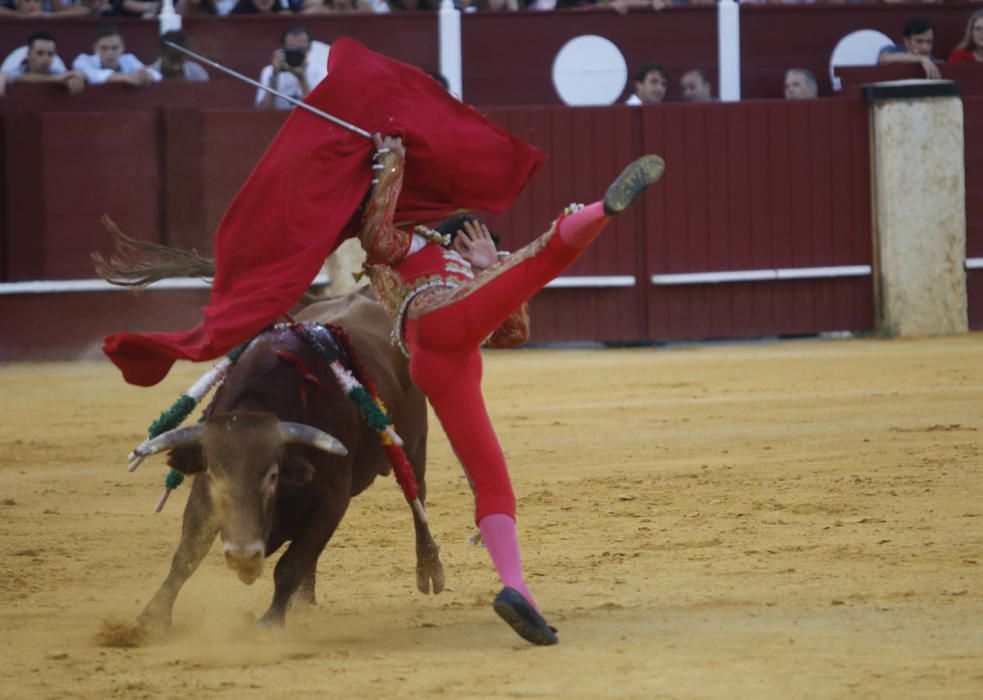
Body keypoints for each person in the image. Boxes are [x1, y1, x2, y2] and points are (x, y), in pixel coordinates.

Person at [357, 132, 665, 645]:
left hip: (442, 365)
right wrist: (392, 164)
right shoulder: (423, 243)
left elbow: (514, 331)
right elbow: (377, 236)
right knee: (541, 257)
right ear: (461, 235)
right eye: (484, 241)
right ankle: (597, 214)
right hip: (441, 322)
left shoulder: (408, 263)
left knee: (493, 483)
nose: (492, 253)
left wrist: (491, 266)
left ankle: (518, 590)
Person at [255, 25, 327, 109]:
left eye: (301, 49)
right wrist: (274, 75)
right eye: (292, 48)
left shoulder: (320, 72)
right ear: (283, 48)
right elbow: (263, 110)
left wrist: (301, 78)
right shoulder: (269, 71)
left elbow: (319, 111)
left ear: (309, 48)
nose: (296, 53)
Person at [72, 24, 161, 86]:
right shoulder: (83, 60)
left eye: (114, 48)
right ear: (95, 48)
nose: (110, 53)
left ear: (122, 47)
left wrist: (147, 76)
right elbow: (93, 75)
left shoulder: (129, 59)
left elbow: (156, 76)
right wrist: (126, 78)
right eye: (104, 48)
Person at [4, 31, 85, 94]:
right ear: (28, 55)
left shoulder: (58, 73)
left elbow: (71, 76)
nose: (46, 58)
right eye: (40, 53)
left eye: (50, 54)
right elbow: (17, 78)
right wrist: (57, 79)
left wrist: (75, 78)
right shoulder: (17, 71)